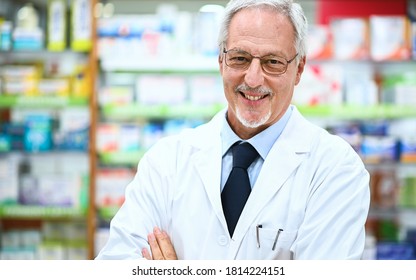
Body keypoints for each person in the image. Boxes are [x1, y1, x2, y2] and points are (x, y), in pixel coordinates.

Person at [95, 0, 370, 260]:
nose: (252, 79)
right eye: (239, 58)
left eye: (273, 62)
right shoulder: (166, 161)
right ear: (220, 61)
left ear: (298, 69)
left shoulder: (336, 169)